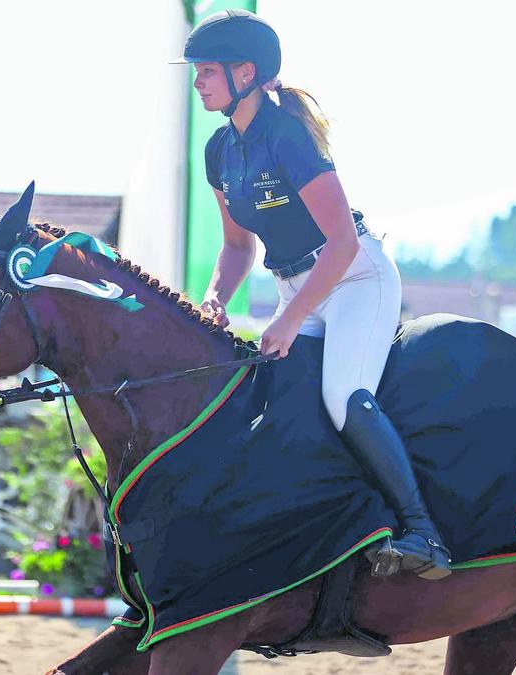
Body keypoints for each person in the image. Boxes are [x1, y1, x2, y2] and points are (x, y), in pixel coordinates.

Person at [173, 9, 451, 580]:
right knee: (272, 395)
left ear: (245, 73)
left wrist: (290, 318)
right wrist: (216, 297)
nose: (197, 81)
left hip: (355, 278)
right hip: (297, 283)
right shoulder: (218, 151)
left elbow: (343, 242)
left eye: (205, 71)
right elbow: (236, 247)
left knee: (342, 394)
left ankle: (422, 530)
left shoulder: (287, 137)